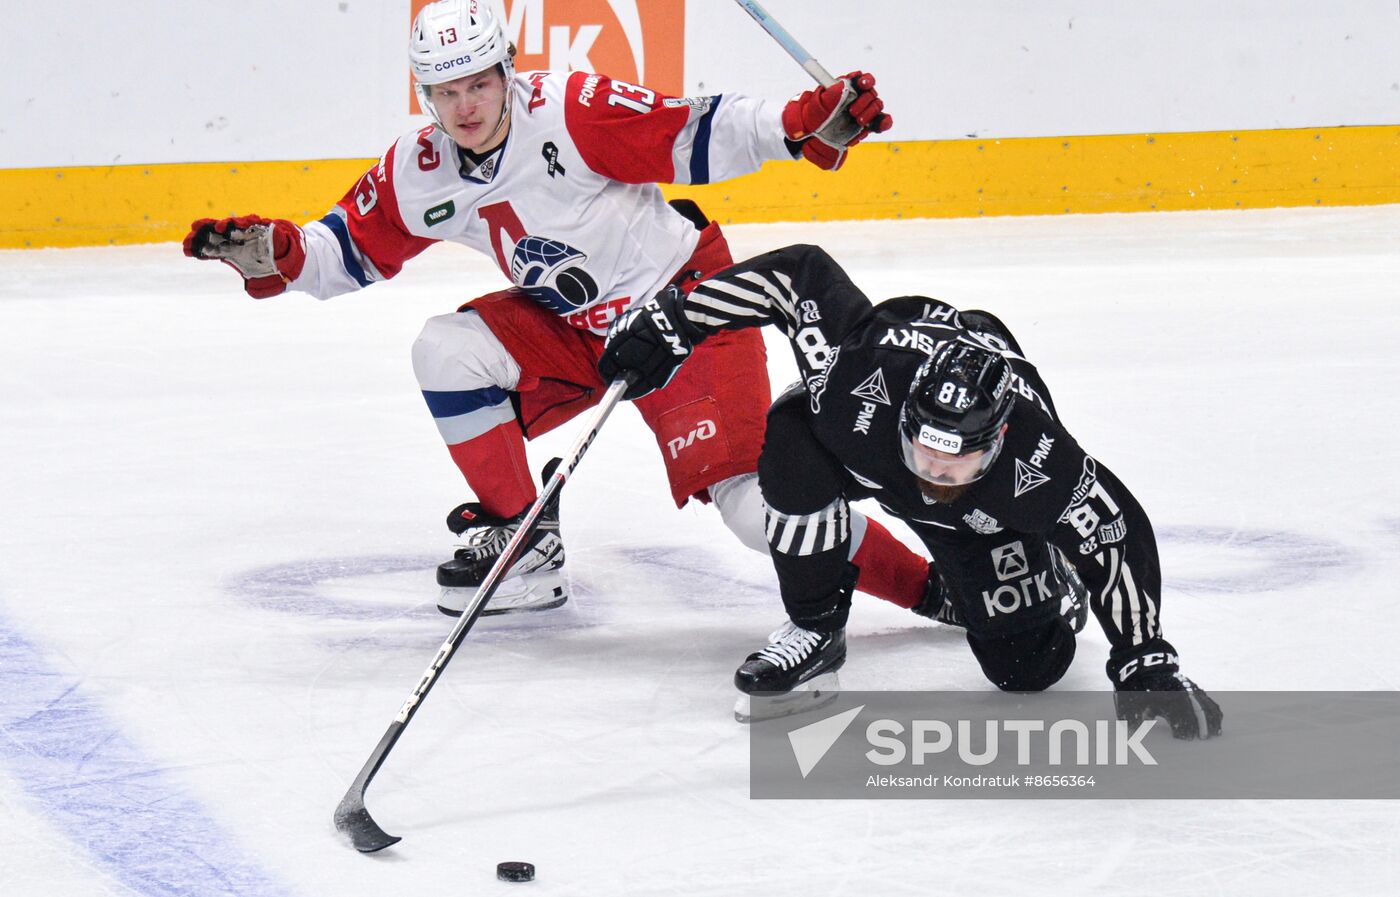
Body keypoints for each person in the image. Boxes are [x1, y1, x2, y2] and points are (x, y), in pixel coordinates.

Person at [181, 0, 932, 619]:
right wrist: (278, 256)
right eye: (444, 93)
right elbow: (342, 254)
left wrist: (801, 125)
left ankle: (939, 590)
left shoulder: (572, 111)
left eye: (477, 84)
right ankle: (524, 537)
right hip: (575, 331)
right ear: (423, 94)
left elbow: (696, 128)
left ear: (507, 70)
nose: (464, 107)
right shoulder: (419, 168)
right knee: (445, 349)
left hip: (685, 312)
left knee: (750, 511)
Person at [598, 243, 1223, 738]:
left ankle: (1038, 572)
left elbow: (1113, 532)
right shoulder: (854, 373)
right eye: (924, 449)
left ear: (997, 443)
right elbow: (798, 275)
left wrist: (1145, 658)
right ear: (905, 418)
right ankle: (815, 628)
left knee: (1027, 670)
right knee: (793, 444)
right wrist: (678, 321)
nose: (934, 472)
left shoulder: (1034, 462)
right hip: (866, 445)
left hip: (981, 517)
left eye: (956, 461)